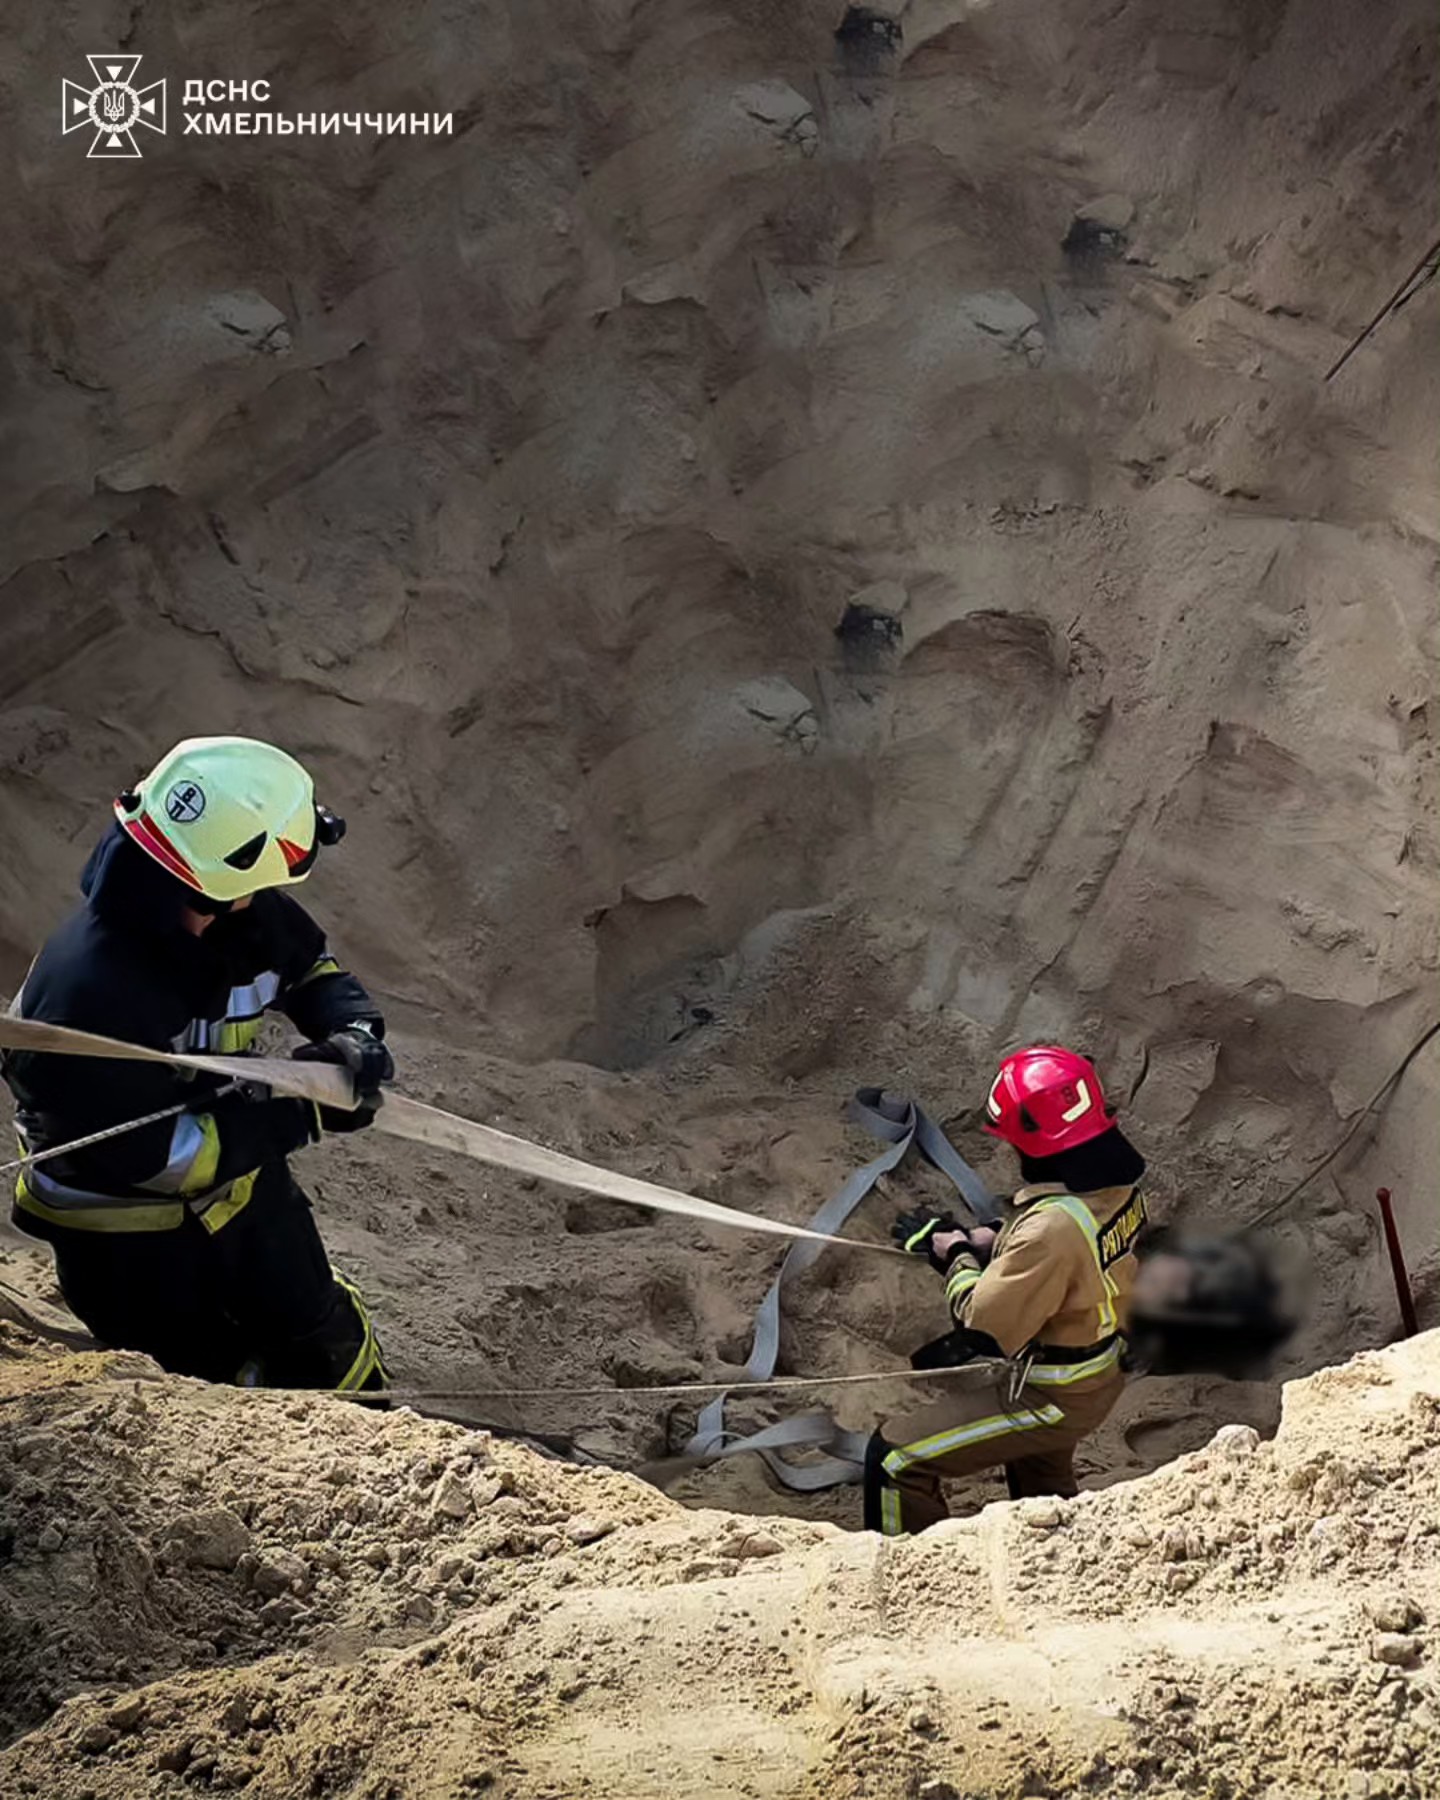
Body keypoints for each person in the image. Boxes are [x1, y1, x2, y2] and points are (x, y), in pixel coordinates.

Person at [1, 736, 393, 1393]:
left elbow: (308, 970)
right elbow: (157, 1159)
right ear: (224, 877)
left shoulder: (235, 907)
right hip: (127, 1242)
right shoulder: (84, 995)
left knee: (322, 1338)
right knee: (213, 1380)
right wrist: (303, 1110)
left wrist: (350, 1031)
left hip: (239, 1187)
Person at [865, 1045, 1147, 1535]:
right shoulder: (1117, 1187)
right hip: (1103, 1369)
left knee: (893, 1460)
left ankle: (911, 1580)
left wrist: (954, 1255)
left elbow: (982, 1325)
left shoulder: (1049, 1232)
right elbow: (1079, 1241)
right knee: (1040, 1478)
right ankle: (1058, 1554)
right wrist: (1000, 1237)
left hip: (1054, 1394)